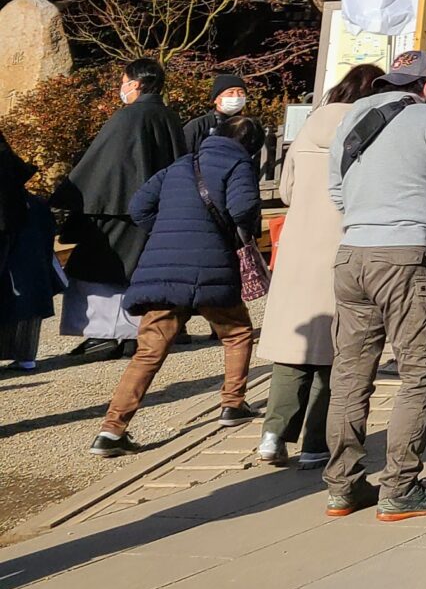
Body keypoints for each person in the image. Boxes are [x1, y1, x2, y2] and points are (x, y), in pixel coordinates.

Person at [326, 50, 426, 519]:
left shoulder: (351, 117)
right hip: (407, 255)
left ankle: (342, 486)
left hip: (352, 254)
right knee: (422, 371)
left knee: (351, 375)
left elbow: (336, 191)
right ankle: (401, 486)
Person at [90, 108, 264, 455]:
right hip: (211, 265)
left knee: (149, 351)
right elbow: (243, 208)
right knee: (237, 331)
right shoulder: (238, 164)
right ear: (250, 145)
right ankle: (232, 404)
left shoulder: (180, 165)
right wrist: (230, 236)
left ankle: (111, 430)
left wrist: (169, 232)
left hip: (162, 267)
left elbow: (139, 207)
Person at [254, 63, 381, 467]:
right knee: (337, 350)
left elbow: (287, 190)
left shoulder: (309, 126)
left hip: (298, 246)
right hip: (345, 244)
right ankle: (315, 443)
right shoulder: (371, 129)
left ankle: (273, 435)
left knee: (296, 348)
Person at [54, 62, 187, 358]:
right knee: (139, 271)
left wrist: (69, 195)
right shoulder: (169, 118)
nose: (122, 86)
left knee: (100, 268)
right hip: (154, 208)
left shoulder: (127, 118)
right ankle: (132, 333)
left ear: (136, 84)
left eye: (124, 81)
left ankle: (102, 334)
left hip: (114, 207)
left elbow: (104, 163)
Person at [1, 135, 62, 372]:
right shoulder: (33, 204)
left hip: (13, 232)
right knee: (27, 293)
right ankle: (26, 355)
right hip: (27, 236)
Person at [182, 70, 268, 170]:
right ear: (216, 99)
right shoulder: (198, 126)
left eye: (241, 93)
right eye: (230, 93)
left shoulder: (249, 125)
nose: (236, 97)